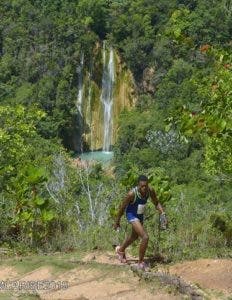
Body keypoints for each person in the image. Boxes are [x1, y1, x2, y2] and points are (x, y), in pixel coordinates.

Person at [113, 175, 167, 270]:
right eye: (142, 186)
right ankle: (141, 263)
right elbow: (122, 207)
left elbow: (156, 202)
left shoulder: (150, 191)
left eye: (146, 186)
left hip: (140, 215)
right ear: (138, 185)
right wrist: (117, 221)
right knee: (145, 237)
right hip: (131, 215)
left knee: (134, 236)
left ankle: (120, 250)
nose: (144, 188)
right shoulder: (131, 194)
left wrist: (163, 213)